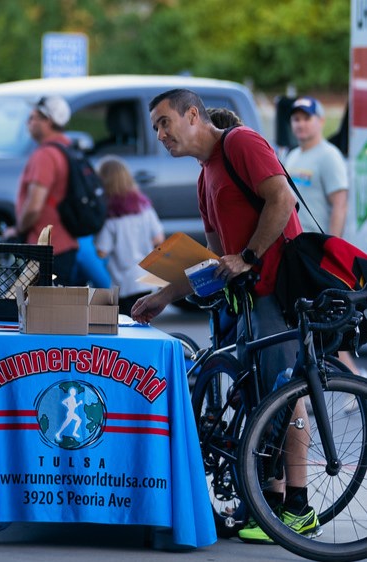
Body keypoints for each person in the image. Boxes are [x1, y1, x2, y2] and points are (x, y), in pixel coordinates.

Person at [130, 89, 321, 544]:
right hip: (247, 301)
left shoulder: (240, 143)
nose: (159, 135)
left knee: (283, 393)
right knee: (262, 398)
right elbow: (216, 261)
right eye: (154, 127)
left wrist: (250, 256)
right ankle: (269, 506)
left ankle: (295, 506)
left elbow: (282, 201)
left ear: (192, 115)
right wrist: (166, 293)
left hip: (278, 290)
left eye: (163, 122)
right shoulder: (204, 176)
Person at [285, 96, 367, 412]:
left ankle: (352, 382)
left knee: (329, 322)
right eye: (296, 119)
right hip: (297, 253)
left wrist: (329, 245)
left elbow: (340, 202)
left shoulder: (328, 156)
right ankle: (341, 382)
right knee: (315, 322)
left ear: (320, 121)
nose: (301, 124)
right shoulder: (292, 155)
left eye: (307, 118)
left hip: (318, 255)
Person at [6, 96, 78, 286]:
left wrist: (17, 230)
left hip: (46, 248)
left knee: (38, 312)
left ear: (48, 121)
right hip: (66, 243)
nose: (28, 123)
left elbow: (34, 207)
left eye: (33, 117)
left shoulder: (45, 155)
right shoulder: (67, 148)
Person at [94, 155, 164, 315]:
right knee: (144, 324)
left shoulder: (111, 217)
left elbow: (101, 251)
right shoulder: (144, 207)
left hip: (124, 284)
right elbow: (158, 239)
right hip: (148, 280)